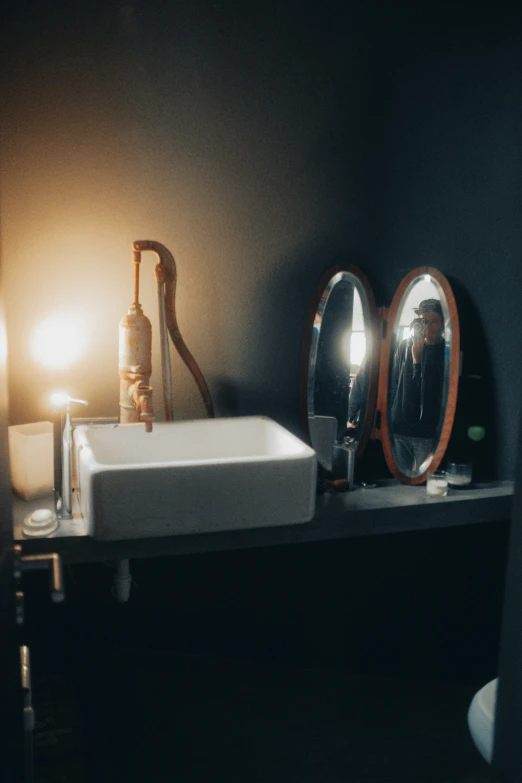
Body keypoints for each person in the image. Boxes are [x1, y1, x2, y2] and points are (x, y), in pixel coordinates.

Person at [389, 298, 446, 472]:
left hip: (427, 432)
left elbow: (436, 391)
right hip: (399, 428)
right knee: (398, 482)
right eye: (423, 321)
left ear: (443, 325)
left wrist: (417, 359)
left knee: (424, 482)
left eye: (434, 322)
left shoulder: (446, 350)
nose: (428, 327)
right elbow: (394, 383)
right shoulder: (404, 346)